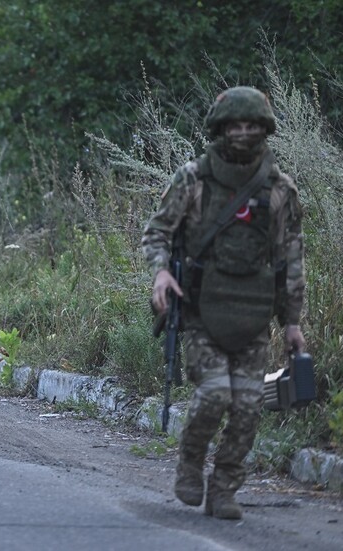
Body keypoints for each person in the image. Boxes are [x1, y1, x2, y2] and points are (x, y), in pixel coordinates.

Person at [141, 86, 306, 520]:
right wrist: (161, 271)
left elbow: (290, 258)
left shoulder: (279, 190)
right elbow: (157, 232)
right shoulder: (194, 179)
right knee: (214, 394)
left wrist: (292, 323)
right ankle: (190, 463)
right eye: (235, 125)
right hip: (199, 310)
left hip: (252, 315)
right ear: (220, 128)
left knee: (250, 406)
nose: (243, 133)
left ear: (265, 128)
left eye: (252, 125)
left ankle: (225, 488)